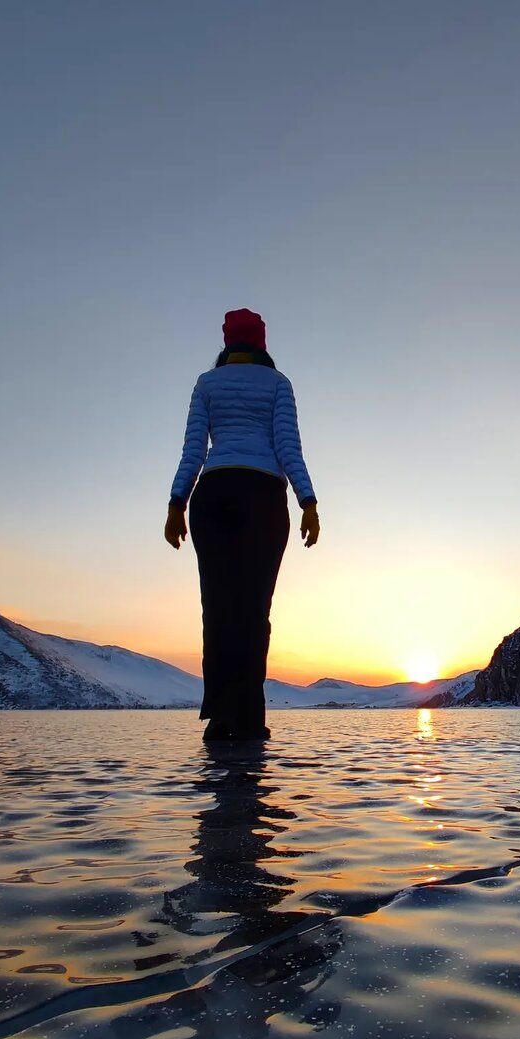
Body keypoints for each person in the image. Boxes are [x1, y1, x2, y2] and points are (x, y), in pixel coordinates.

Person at [165, 309, 320, 742]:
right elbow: (289, 446)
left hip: (212, 495)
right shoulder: (278, 384)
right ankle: (250, 716)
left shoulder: (206, 383)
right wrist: (307, 500)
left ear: (227, 343)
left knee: (216, 608)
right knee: (255, 610)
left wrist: (177, 501)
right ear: (262, 344)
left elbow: (193, 448)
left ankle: (219, 718)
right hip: (264, 497)